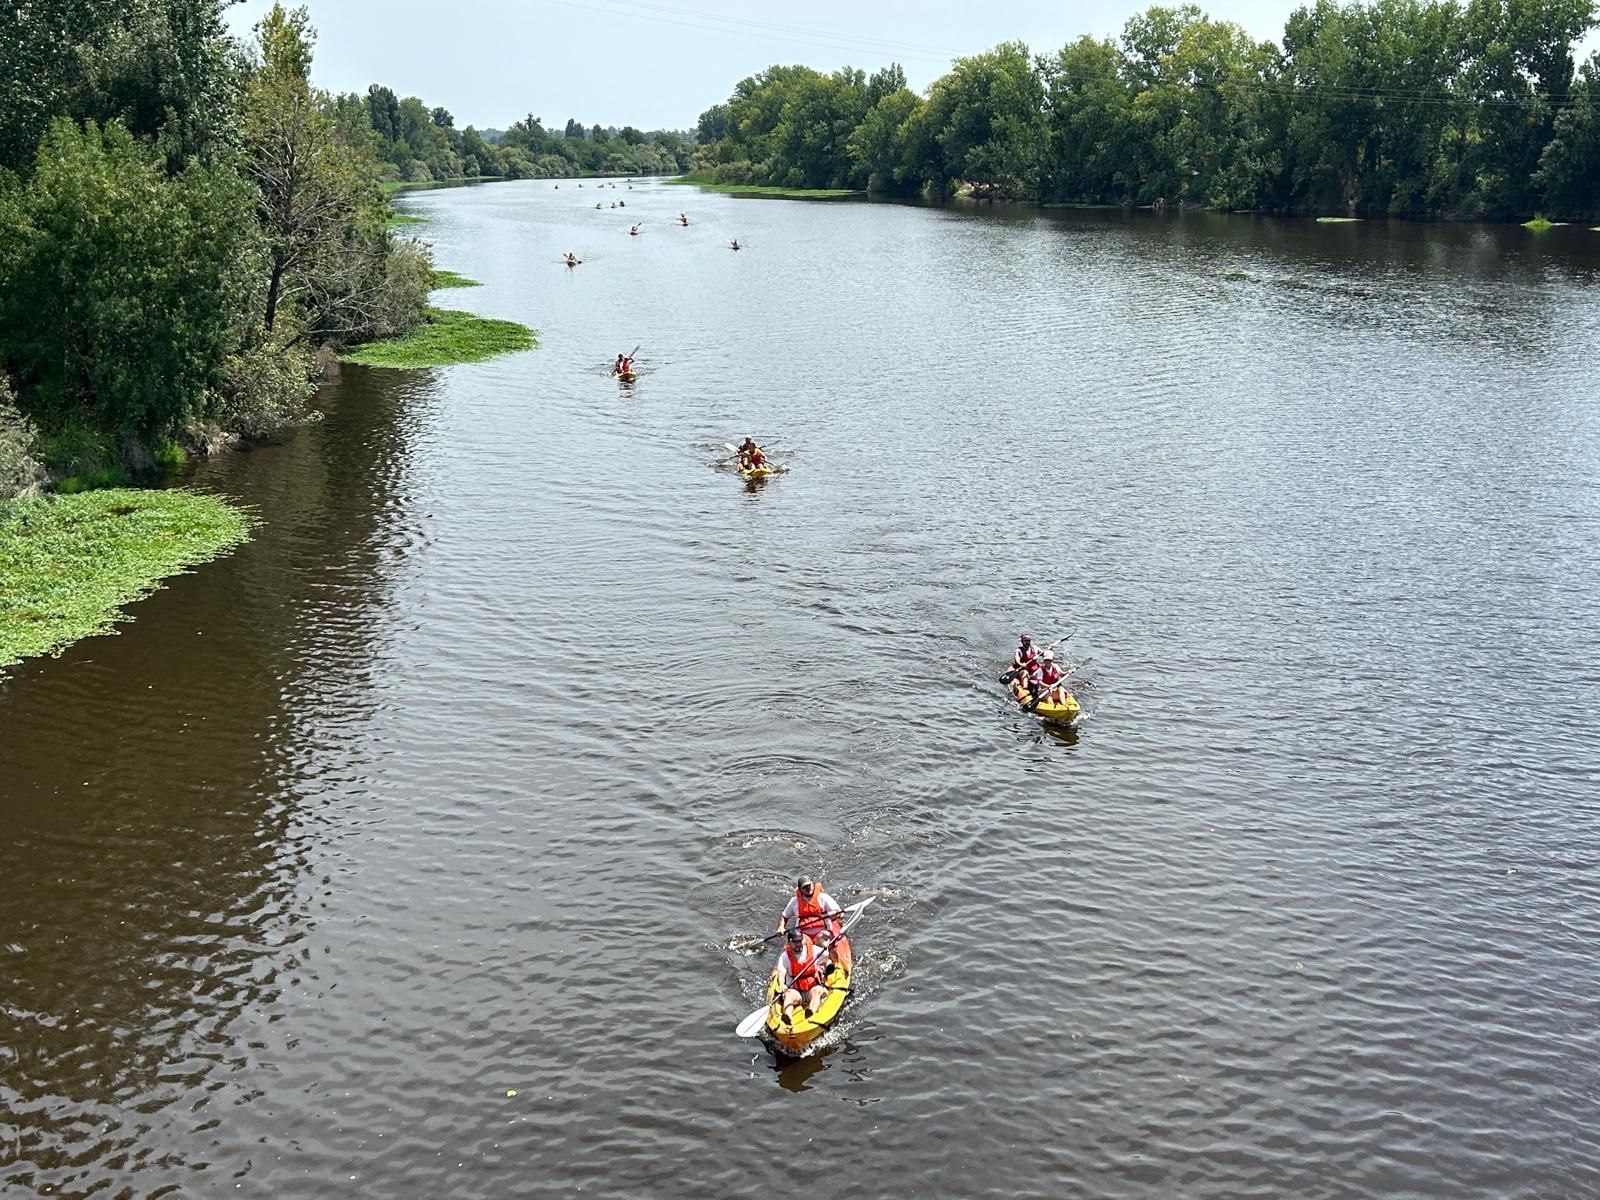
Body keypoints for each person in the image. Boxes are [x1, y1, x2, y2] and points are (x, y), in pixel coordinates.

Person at [778, 875, 849, 972]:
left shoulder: (823, 898)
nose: (808, 888)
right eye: (804, 887)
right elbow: (784, 916)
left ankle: (828, 963)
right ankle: (802, 969)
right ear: (800, 889)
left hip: (823, 932)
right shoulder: (794, 902)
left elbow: (841, 914)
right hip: (804, 935)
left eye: (809, 885)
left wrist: (837, 914)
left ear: (813, 885)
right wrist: (781, 927)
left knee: (820, 939)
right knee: (800, 946)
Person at [773, 926, 829, 1020]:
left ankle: (811, 1011)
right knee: (788, 995)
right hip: (796, 991)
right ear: (789, 942)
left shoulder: (813, 950)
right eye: (795, 942)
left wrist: (826, 947)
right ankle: (787, 1016)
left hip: (812, 988)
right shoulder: (785, 957)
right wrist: (782, 985)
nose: (798, 944)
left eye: (800, 941)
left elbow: (827, 956)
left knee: (818, 990)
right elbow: (781, 972)